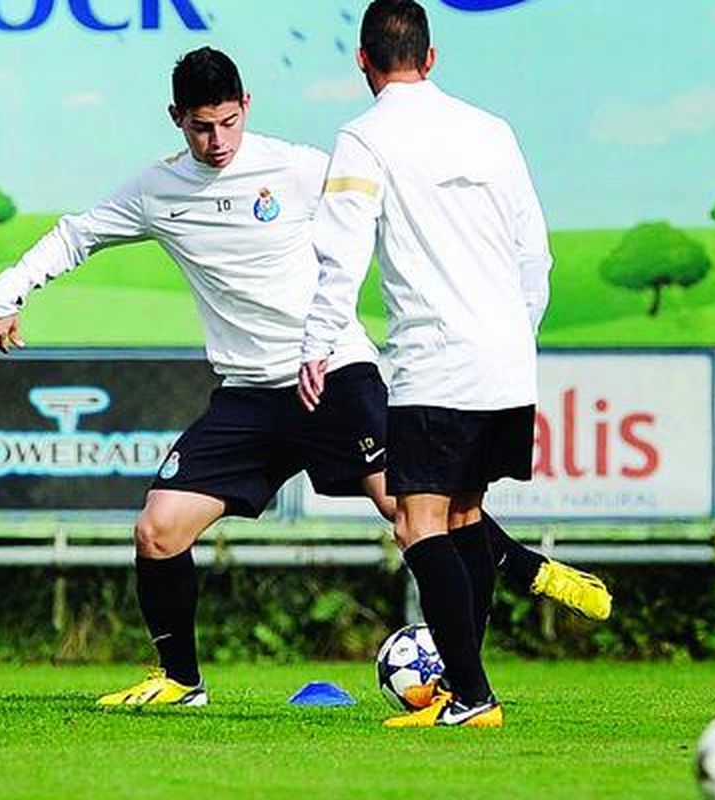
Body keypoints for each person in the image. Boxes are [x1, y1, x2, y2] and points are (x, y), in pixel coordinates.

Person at [0, 46, 609, 708]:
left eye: (227, 121)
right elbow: (76, 236)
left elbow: (389, 207)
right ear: (176, 118)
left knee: (413, 512)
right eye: (200, 126)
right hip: (249, 397)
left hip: (334, 374)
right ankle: (181, 681)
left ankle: (522, 586)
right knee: (158, 529)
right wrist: (7, 291)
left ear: (245, 107)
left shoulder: (301, 168)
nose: (216, 139)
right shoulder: (156, 191)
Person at [298, 0, 558, 729]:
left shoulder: (365, 138)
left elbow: (341, 251)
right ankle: (462, 689)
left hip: (435, 364)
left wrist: (318, 343)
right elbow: (533, 252)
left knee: (418, 526)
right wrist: (514, 334)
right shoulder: (492, 131)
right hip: (507, 361)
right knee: (467, 516)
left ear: (363, 61)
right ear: (431, 56)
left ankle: (472, 697)